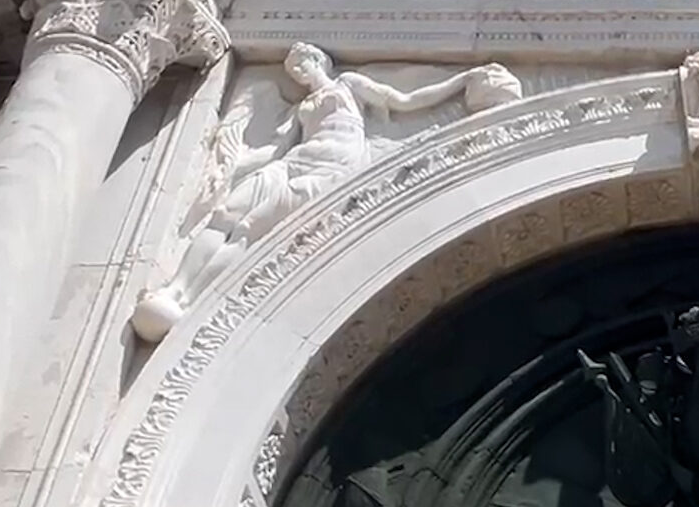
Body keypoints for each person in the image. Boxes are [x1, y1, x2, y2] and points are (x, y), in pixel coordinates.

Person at [130, 43, 520, 342]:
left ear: (322, 61)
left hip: (333, 168)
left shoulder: (349, 85)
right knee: (227, 213)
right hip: (297, 160)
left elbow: (404, 101)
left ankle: (197, 297)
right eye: (293, 67)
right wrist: (227, 164)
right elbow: (273, 149)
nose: (299, 70)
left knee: (252, 229)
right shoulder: (301, 108)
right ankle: (176, 289)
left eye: (304, 62)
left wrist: (462, 82)